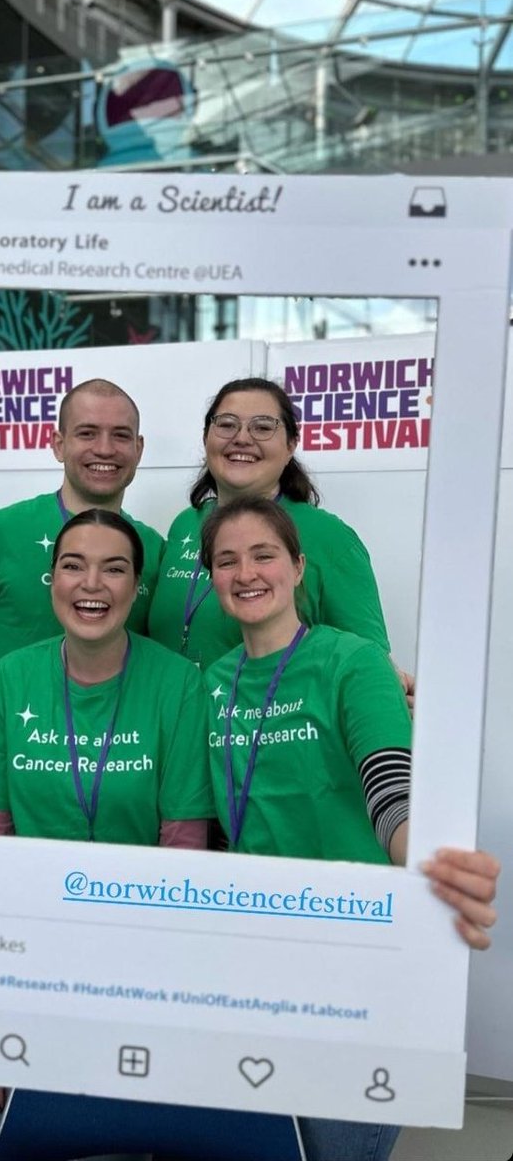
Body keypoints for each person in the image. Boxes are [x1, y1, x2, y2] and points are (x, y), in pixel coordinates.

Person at [199, 494, 500, 1161]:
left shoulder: (353, 662)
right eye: (226, 560)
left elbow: (389, 786)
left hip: (358, 948)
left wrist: (426, 859)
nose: (246, 573)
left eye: (264, 555)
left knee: (331, 1147)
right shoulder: (212, 684)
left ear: (299, 567)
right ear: (211, 576)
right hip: (258, 946)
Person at [0, 508, 214, 1160]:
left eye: (114, 567)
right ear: (52, 580)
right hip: (29, 954)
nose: (91, 583)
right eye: (73, 564)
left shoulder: (179, 684)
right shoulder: (9, 680)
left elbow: (181, 855)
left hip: (139, 955)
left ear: (136, 586)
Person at [0, 378, 164, 831]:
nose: (105, 448)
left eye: (121, 435)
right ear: (57, 443)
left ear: (139, 449)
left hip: (120, 795)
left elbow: (162, 680)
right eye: (86, 433)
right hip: (9, 796)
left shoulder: (154, 551)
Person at [149, 377, 408, 683]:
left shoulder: (329, 537)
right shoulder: (185, 524)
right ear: (206, 437)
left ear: (290, 445)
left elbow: (369, 664)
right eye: (227, 424)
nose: (242, 438)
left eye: (262, 427)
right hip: (178, 721)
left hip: (272, 726)